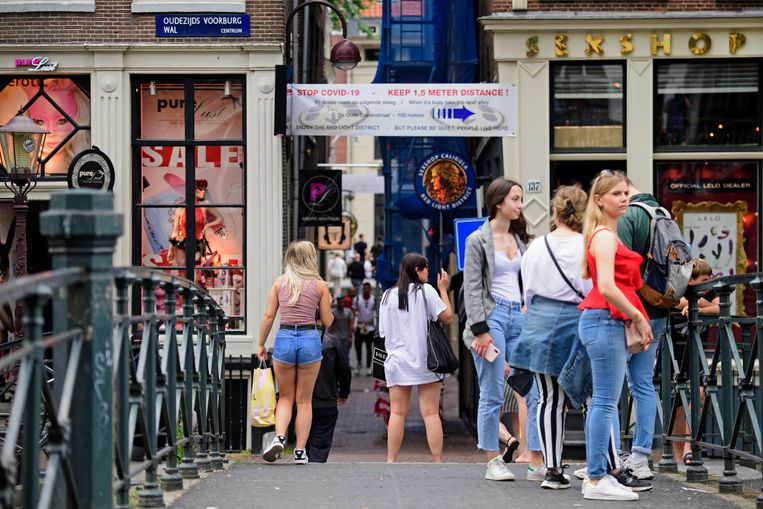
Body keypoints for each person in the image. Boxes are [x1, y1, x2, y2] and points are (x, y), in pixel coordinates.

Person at [578, 170, 653, 501]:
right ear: (599, 200)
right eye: (617, 194)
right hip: (605, 320)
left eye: (626, 193)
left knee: (605, 403)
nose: (625, 198)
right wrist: (638, 315)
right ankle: (596, 478)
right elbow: (607, 286)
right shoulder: (605, 236)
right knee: (606, 403)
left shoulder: (604, 233)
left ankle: (598, 476)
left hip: (604, 320)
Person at [511, 185, 591, 489]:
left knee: (547, 399)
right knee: (589, 396)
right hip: (578, 320)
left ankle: (553, 469)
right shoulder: (588, 245)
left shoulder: (536, 246)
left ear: (554, 211)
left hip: (540, 323)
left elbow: (527, 291)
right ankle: (600, 465)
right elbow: (591, 288)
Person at [462, 177, 540, 482]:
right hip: (491, 317)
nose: (520, 205)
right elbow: (471, 287)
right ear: (498, 203)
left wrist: (526, 306)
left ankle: (535, 458)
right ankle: (492, 459)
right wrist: (481, 330)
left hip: (517, 315)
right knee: (493, 390)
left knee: (532, 389)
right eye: (515, 199)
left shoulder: (520, 239)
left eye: (521, 199)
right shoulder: (477, 240)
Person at [256, 240, 334, 464]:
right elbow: (328, 320)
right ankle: (300, 451)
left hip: (285, 339)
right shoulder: (320, 286)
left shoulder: (280, 283)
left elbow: (268, 317)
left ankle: (280, 437)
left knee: (286, 397)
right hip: (310, 340)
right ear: (311, 259)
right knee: (304, 400)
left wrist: (261, 344)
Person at [616, 178, 669, 480]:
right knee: (644, 384)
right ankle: (640, 457)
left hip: (632, 312)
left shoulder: (629, 216)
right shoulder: (663, 214)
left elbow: (620, 269)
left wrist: (628, 313)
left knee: (608, 388)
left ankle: (606, 457)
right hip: (658, 309)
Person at [379, 253, 452, 463]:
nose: (429, 271)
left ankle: (391, 460)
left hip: (396, 361)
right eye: (426, 267)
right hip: (425, 361)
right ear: (417, 271)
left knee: (397, 413)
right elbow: (447, 317)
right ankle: (437, 460)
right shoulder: (426, 291)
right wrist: (444, 291)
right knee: (430, 413)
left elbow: (383, 332)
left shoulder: (387, 296)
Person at [671, 258, 718, 464]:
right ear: (691, 281)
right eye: (705, 280)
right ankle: (678, 454)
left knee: (698, 394)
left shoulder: (708, 293)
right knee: (676, 403)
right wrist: (694, 303)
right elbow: (673, 301)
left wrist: (698, 307)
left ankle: (690, 446)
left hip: (695, 353)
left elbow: (719, 308)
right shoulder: (678, 289)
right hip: (674, 354)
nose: (709, 285)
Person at [306, 324, 352, 463]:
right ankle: (315, 473)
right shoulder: (332, 341)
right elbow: (343, 370)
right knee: (320, 445)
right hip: (326, 399)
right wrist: (344, 392)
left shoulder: (296, 341)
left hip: (303, 402)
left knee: (303, 442)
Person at [168, 179, 223, 268]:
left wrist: (208, 225)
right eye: (200, 189)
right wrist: (170, 249)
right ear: (193, 190)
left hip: (198, 241)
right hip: (181, 241)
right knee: (182, 269)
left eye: (204, 189)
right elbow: (175, 231)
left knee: (194, 270)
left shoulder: (204, 205)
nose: (203, 192)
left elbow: (220, 218)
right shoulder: (180, 208)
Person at [353, 282, 376, 376]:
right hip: (360, 326)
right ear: (362, 289)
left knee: (368, 348)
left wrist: (376, 325)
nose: (366, 290)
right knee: (357, 346)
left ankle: (368, 367)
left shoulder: (373, 299)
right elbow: (354, 311)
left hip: (370, 327)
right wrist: (354, 324)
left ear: (370, 289)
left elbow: (376, 312)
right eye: (364, 288)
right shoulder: (357, 299)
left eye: (368, 288)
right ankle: (359, 363)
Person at [332, 295, 354, 363]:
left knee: (346, 354)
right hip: (336, 337)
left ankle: (346, 368)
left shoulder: (348, 312)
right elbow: (330, 326)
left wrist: (350, 336)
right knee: (337, 354)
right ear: (337, 303)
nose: (341, 304)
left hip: (346, 337)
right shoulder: (333, 312)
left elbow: (350, 324)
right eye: (340, 302)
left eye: (342, 302)